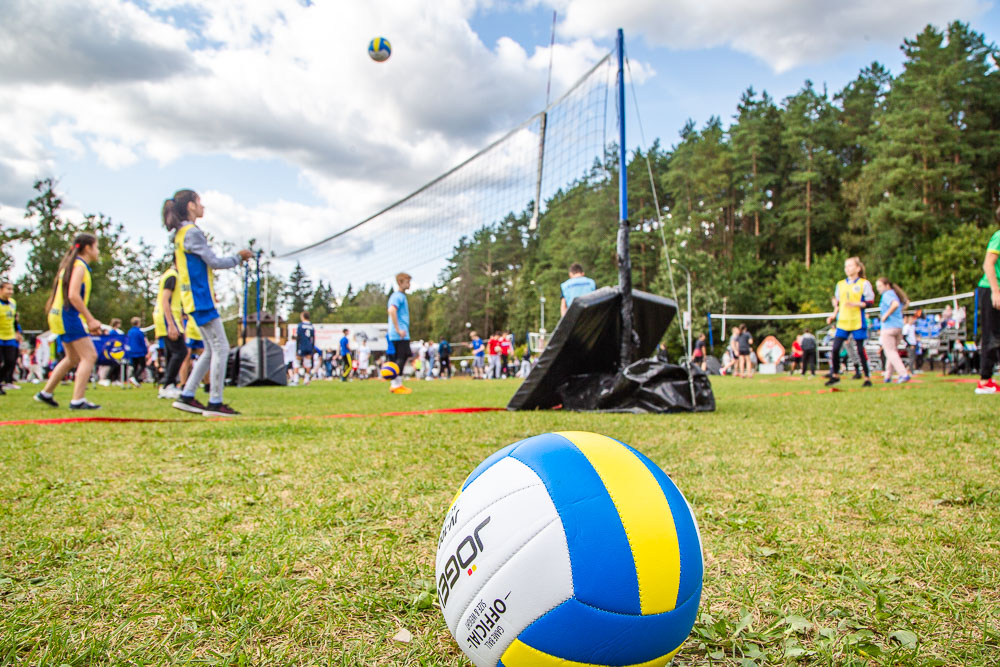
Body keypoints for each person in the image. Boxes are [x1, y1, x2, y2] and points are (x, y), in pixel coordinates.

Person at [163, 189, 252, 416]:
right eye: (199, 202)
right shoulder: (192, 232)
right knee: (221, 348)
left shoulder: (181, 234)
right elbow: (213, 261)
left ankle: (187, 395)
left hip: (192, 298)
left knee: (211, 350)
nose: (203, 207)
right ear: (191, 206)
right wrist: (239, 258)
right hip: (199, 298)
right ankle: (215, 401)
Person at [35, 233, 103, 409]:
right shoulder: (79, 266)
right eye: (96, 247)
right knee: (89, 356)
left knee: (72, 358)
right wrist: (90, 319)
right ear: (88, 248)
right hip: (68, 316)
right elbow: (73, 295)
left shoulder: (71, 265)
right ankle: (77, 400)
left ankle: (46, 393)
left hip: (59, 315)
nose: (98, 251)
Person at [825, 257, 874, 388]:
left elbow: (869, 303)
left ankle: (867, 377)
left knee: (859, 349)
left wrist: (857, 304)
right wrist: (833, 315)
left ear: (858, 268)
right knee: (835, 349)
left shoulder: (864, 284)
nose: (847, 269)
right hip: (843, 322)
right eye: (846, 266)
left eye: (850, 266)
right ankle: (835, 375)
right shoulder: (840, 284)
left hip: (857, 321)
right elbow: (838, 303)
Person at [152, 263, 185, 399]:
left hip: (167, 317)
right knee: (180, 352)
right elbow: (165, 299)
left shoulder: (171, 275)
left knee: (171, 353)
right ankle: (167, 384)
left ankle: (169, 384)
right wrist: (170, 324)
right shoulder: (172, 276)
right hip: (168, 318)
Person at [976, 212, 1000, 393]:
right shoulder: (999, 236)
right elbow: (988, 264)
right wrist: (995, 291)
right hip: (991, 289)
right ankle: (984, 382)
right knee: (991, 334)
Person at [876, 277, 911, 384]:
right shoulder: (896, 294)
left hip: (889, 327)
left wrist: (885, 315)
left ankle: (903, 374)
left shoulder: (887, 295)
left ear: (887, 285)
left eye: (880, 286)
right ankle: (887, 376)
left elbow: (895, 304)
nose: (878, 289)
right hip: (898, 327)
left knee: (890, 352)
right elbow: (906, 303)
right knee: (892, 352)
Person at [387, 272, 412, 394]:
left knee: (403, 356)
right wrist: (397, 329)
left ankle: (398, 384)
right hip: (399, 333)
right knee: (400, 357)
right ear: (400, 282)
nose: (409, 284)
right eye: (407, 281)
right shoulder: (397, 296)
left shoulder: (402, 296)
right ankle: (395, 385)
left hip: (400, 333)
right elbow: (392, 310)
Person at [0, 281, 23, 393]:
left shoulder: (13, 303)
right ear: (1, 290)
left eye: (11, 289)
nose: (10, 291)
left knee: (10, 361)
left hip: (9, 336)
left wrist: (17, 332)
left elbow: (14, 319)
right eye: (8, 289)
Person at [125, 317, 148, 386]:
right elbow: (142, 342)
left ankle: (136, 380)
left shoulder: (129, 332)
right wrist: (145, 350)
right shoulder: (139, 332)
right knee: (142, 365)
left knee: (135, 366)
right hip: (139, 351)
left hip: (132, 351)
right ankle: (135, 377)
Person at [294, 312, 315, 385]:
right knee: (308, 363)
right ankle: (306, 379)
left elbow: (298, 337)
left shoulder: (300, 325)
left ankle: (296, 379)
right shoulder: (311, 326)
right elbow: (313, 338)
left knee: (297, 362)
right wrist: (312, 348)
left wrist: (297, 349)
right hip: (309, 346)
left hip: (302, 345)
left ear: (303, 316)